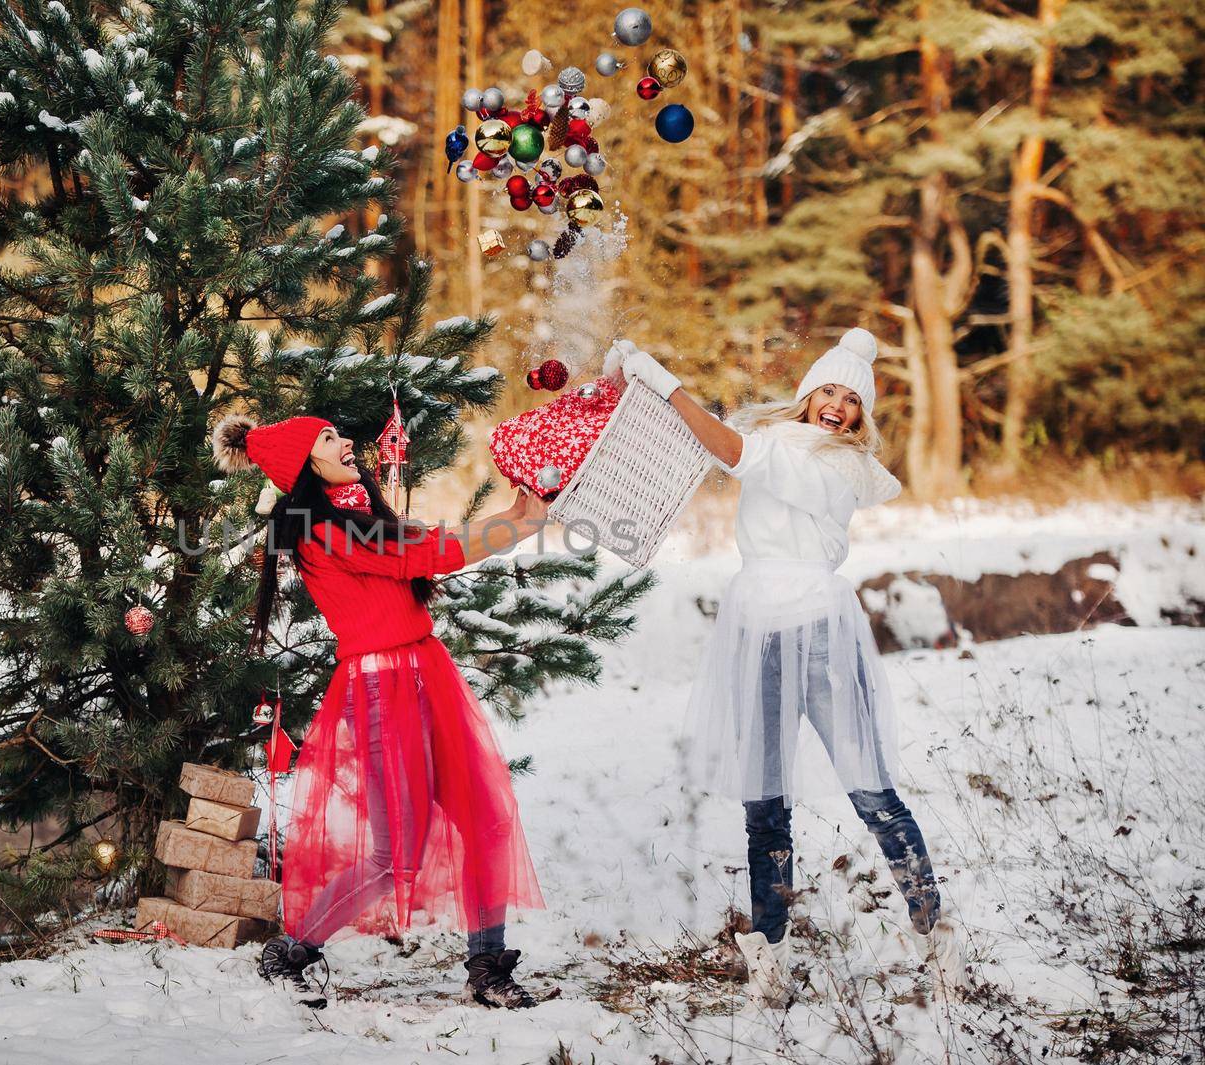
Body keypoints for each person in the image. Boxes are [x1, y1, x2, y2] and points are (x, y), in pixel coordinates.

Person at [608, 330, 966, 1007]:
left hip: (820, 627)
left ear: (862, 417)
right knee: (764, 803)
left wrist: (664, 379)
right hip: (759, 626)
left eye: (852, 399)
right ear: (808, 392)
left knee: (870, 790)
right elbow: (714, 440)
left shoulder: (844, 468)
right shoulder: (775, 440)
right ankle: (769, 955)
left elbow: (733, 449)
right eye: (828, 389)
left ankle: (936, 933)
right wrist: (634, 384)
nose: (837, 405)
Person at [211, 413, 549, 1010]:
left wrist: (518, 521)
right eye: (327, 439)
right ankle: (294, 950)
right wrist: (516, 525)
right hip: (379, 690)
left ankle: (488, 968)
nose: (346, 443)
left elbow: (426, 544)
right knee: (397, 854)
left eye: (339, 434)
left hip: (426, 673)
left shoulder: (362, 513)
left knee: (487, 817)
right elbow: (415, 560)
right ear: (303, 465)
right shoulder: (320, 531)